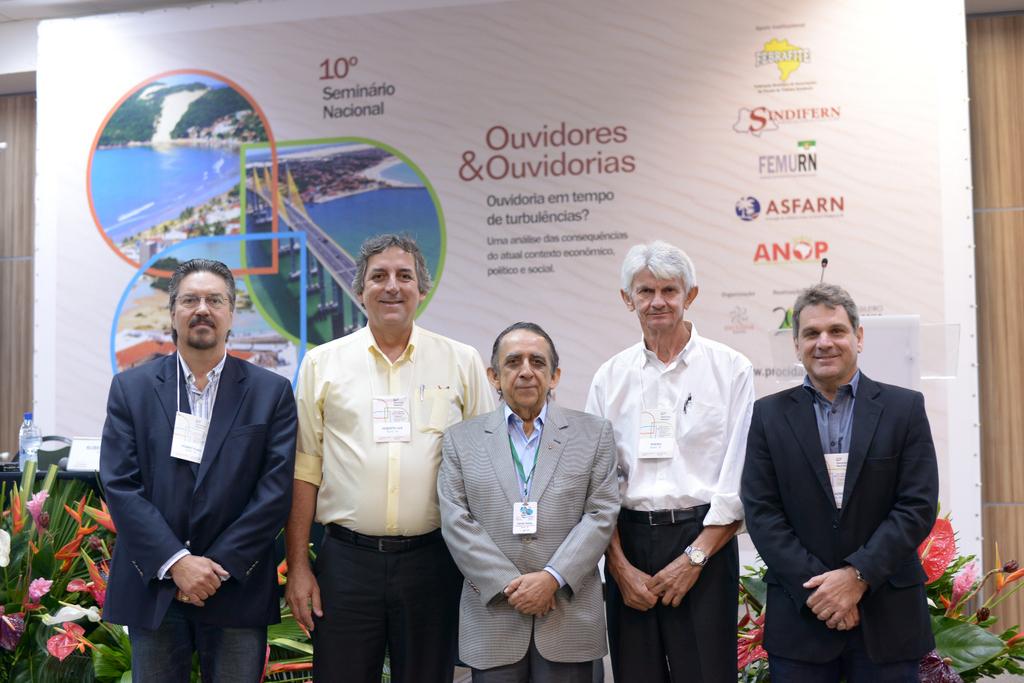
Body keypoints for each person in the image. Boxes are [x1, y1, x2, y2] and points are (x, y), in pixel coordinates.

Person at [285, 233, 495, 683]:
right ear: (360, 291)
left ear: (423, 289)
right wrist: (299, 567)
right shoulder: (322, 364)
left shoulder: (461, 361)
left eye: (405, 276)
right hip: (346, 563)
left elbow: (486, 467)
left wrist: (484, 568)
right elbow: (305, 470)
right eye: (378, 276)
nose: (392, 286)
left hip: (434, 561)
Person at [100, 258, 297, 682]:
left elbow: (275, 491)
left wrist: (214, 567)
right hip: (156, 585)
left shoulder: (271, 392)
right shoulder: (131, 389)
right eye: (190, 300)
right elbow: (120, 485)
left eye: (215, 300)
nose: (202, 309)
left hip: (234, 586)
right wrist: (177, 563)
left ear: (232, 314)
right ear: (173, 313)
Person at [741, 282, 938, 682]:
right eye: (811, 333)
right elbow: (762, 512)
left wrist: (857, 576)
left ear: (858, 337)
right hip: (802, 620)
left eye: (836, 330)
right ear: (796, 344)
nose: (824, 343)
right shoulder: (768, 416)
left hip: (888, 619)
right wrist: (822, 592)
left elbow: (916, 505)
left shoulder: (904, 409)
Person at [585, 240, 755, 682]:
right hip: (628, 546)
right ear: (628, 299)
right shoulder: (609, 378)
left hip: (704, 541)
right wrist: (617, 567)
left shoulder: (731, 369)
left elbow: (739, 476)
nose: (657, 301)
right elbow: (595, 483)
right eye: (645, 291)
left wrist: (694, 558)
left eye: (669, 290)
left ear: (689, 295)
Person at [438, 322, 620, 682]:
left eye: (537, 362)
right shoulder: (461, 439)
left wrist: (552, 579)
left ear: (555, 376)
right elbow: (456, 521)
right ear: (493, 375)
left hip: (567, 616)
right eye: (513, 362)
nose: (526, 371)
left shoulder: (594, 433)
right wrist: (511, 585)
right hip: (494, 618)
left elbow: (601, 514)